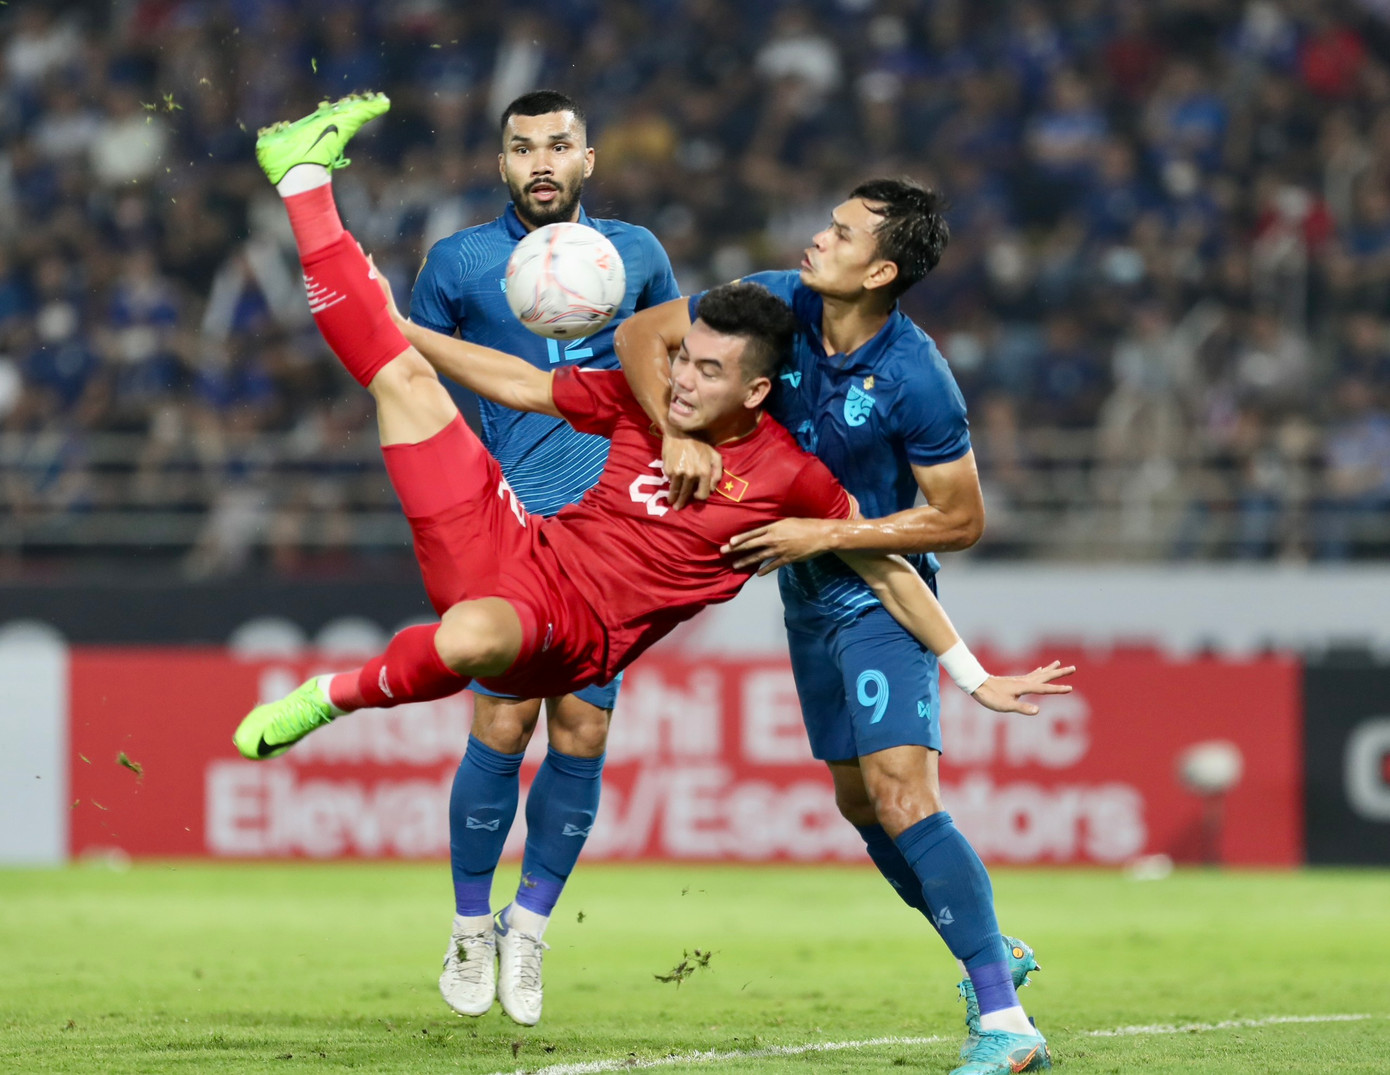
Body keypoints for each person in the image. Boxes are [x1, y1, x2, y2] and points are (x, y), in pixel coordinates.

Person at [232, 95, 1074, 1036]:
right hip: (533, 531)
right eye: (688, 360)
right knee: (396, 376)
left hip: (691, 595)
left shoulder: (840, 439)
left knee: (880, 790)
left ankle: (999, 1009)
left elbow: (928, 542)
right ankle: (304, 180)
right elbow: (576, 365)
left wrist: (967, 668)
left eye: (840, 232)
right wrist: (405, 329)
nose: (683, 373)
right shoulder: (731, 338)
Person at [613, 180, 1051, 1075]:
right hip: (805, 599)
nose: (818, 237)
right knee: (862, 806)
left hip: (880, 595)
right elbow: (640, 335)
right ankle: (988, 946)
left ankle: (1006, 1023)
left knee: (903, 797)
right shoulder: (780, 302)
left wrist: (829, 534)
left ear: (881, 271)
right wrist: (674, 431)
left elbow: (961, 519)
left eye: (842, 232)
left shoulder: (917, 378)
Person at [407, 89, 680, 1025]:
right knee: (502, 720)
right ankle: (469, 925)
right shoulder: (458, 262)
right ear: (502, 164)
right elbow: (414, 377)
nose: (541, 162)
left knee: (583, 732)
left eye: (558, 145)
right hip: (513, 521)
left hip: (614, 531)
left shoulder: (637, 255)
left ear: (588, 158)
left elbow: (676, 365)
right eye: (523, 148)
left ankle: (527, 927)